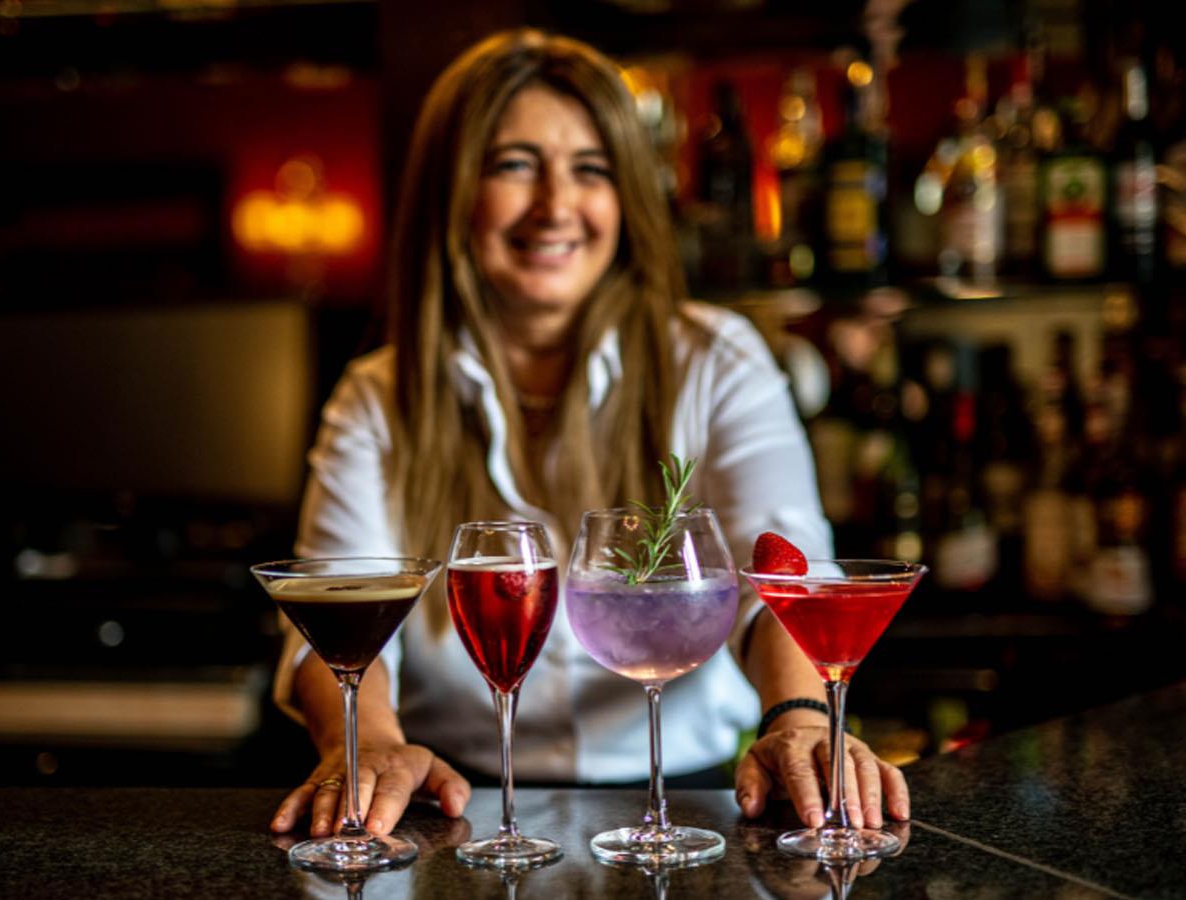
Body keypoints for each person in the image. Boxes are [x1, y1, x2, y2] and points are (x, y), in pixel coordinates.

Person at [269, 28, 911, 840]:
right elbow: (332, 610)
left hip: (693, 806)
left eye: (591, 170)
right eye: (513, 165)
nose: (556, 206)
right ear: (451, 191)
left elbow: (778, 573)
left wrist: (801, 718)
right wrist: (372, 747)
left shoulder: (716, 359)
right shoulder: (375, 397)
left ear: (628, 198)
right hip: (451, 808)